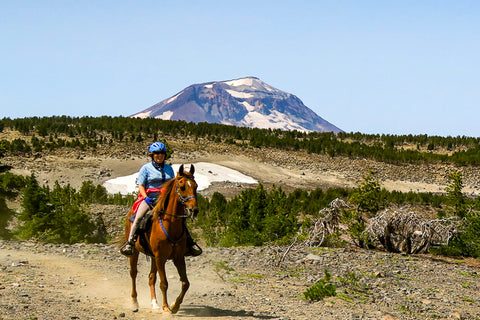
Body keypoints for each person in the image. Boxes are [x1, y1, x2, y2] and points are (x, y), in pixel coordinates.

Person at [120, 141, 202, 257]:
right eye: (157, 153)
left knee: (180, 217)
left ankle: (189, 242)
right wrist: (145, 198)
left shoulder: (169, 168)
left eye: (162, 153)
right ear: (152, 155)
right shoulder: (146, 168)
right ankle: (130, 243)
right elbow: (141, 185)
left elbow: (173, 185)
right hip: (150, 198)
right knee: (138, 217)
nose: (160, 155)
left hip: (165, 199)